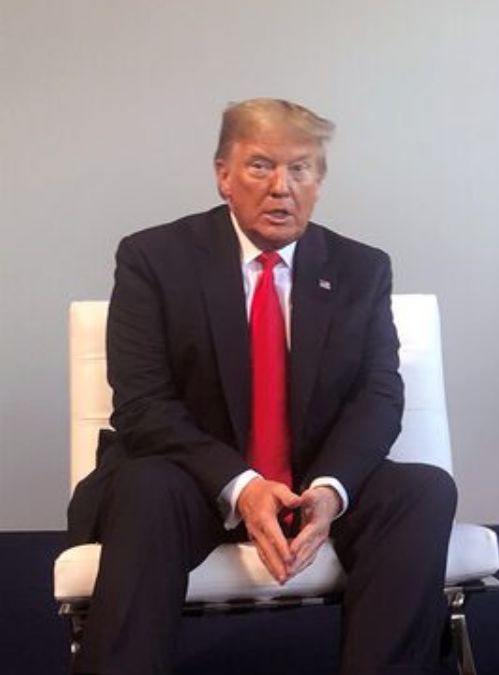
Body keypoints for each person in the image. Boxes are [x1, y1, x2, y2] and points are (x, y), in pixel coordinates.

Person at [65, 98, 459, 675]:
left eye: (300, 169)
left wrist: (330, 489)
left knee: (422, 490)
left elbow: (379, 396)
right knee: (145, 488)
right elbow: (144, 405)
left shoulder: (361, 268)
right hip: (193, 482)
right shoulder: (154, 258)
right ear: (223, 174)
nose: (282, 187)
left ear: (319, 181)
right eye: (260, 166)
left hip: (309, 483)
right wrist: (243, 486)